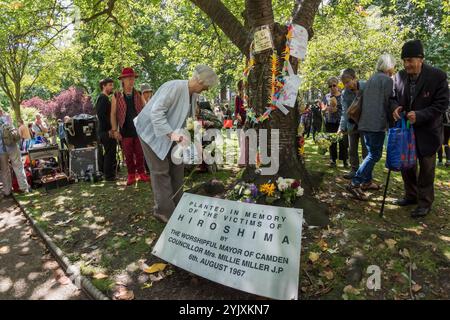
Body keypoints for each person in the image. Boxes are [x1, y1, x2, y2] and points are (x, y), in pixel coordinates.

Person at [134, 64, 218, 223]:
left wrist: (193, 141)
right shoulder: (174, 87)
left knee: (177, 167)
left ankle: (178, 205)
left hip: (172, 134)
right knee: (161, 170)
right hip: (150, 131)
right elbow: (156, 113)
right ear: (200, 81)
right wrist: (173, 135)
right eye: (207, 86)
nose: (207, 89)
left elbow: (187, 121)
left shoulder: (193, 96)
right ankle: (164, 212)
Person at [391, 40, 449, 218]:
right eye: (404, 60)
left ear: (421, 59)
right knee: (406, 166)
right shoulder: (399, 76)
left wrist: (421, 115)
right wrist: (395, 107)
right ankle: (411, 195)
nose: (407, 64)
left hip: (428, 131)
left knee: (426, 168)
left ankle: (424, 202)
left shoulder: (437, 76)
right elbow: (393, 96)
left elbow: (442, 104)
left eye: (411, 60)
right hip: (406, 132)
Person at [346, 54, 396, 200]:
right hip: (376, 124)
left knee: (369, 153)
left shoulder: (371, 78)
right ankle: (354, 183)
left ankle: (366, 182)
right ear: (389, 66)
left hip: (364, 123)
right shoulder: (387, 80)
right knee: (374, 154)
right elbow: (388, 103)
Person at [111, 68, 150, 186]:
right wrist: (114, 130)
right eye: (128, 78)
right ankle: (131, 175)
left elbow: (145, 109)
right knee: (128, 154)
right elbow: (113, 114)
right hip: (125, 130)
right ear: (123, 80)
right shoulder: (116, 95)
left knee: (140, 153)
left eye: (132, 78)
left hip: (138, 130)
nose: (131, 81)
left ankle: (142, 173)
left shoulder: (138, 93)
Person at [339, 68, 368, 179]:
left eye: (347, 82)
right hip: (352, 125)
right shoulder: (344, 94)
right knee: (352, 149)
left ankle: (366, 173)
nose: (346, 85)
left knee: (366, 149)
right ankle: (354, 170)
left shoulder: (366, 86)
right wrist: (342, 127)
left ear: (354, 78)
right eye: (343, 83)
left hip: (365, 124)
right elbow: (344, 112)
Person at [0, 110, 30, 196]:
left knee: (4, 170)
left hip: (1, 150)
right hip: (12, 146)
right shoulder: (7, 118)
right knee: (18, 166)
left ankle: (7, 191)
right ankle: (24, 188)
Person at [322, 77, 348, 167]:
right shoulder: (326, 96)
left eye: (334, 85)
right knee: (332, 142)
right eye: (330, 86)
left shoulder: (343, 95)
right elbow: (323, 109)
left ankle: (345, 160)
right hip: (330, 122)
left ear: (337, 85)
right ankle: (333, 160)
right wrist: (326, 109)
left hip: (341, 121)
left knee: (343, 142)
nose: (332, 87)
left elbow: (346, 109)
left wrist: (337, 109)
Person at [97, 78, 117, 181]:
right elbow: (101, 116)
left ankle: (109, 174)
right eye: (110, 85)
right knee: (110, 152)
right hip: (105, 131)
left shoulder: (105, 98)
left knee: (110, 152)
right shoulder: (102, 98)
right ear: (104, 86)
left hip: (106, 130)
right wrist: (110, 129)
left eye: (112, 85)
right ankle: (109, 176)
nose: (112, 87)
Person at [235, 80, 248, 166]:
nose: (244, 86)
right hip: (241, 120)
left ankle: (246, 160)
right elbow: (236, 111)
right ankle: (242, 160)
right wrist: (238, 116)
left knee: (247, 140)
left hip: (248, 119)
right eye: (242, 85)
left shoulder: (248, 96)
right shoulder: (238, 97)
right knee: (241, 141)